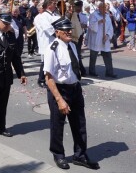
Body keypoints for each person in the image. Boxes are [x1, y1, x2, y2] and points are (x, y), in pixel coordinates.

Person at [44, 17, 100, 170]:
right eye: (66, 30)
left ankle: (80, 155)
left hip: (75, 89)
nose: (70, 32)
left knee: (80, 124)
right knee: (57, 125)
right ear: (57, 32)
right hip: (59, 90)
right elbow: (48, 78)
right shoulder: (52, 49)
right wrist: (59, 99)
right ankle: (58, 155)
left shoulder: (73, 46)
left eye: (70, 29)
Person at [87, 2, 116, 78]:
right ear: (99, 8)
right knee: (93, 55)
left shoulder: (107, 16)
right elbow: (91, 26)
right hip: (96, 38)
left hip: (104, 38)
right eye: (102, 7)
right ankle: (92, 71)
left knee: (107, 55)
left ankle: (109, 72)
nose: (104, 9)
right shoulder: (94, 15)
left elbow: (110, 27)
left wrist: (107, 35)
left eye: (105, 7)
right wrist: (99, 22)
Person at [34, 0, 59, 88]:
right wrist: (57, 34)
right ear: (49, 6)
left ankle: (52, 78)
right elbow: (48, 28)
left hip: (55, 40)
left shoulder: (55, 14)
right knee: (46, 61)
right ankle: (41, 79)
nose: (56, 4)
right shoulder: (43, 16)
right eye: (53, 3)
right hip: (47, 41)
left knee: (54, 60)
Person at [70, 1, 88, 75]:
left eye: (80, 6)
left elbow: (86, 24)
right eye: (78, 6)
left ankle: (80, 69)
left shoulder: (83, 15)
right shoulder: (71, 15)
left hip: (80, 35)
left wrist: (80, 25)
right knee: (75, 53)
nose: (79, 8)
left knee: (77, 52)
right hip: (73, 35)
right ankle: (80, 69)